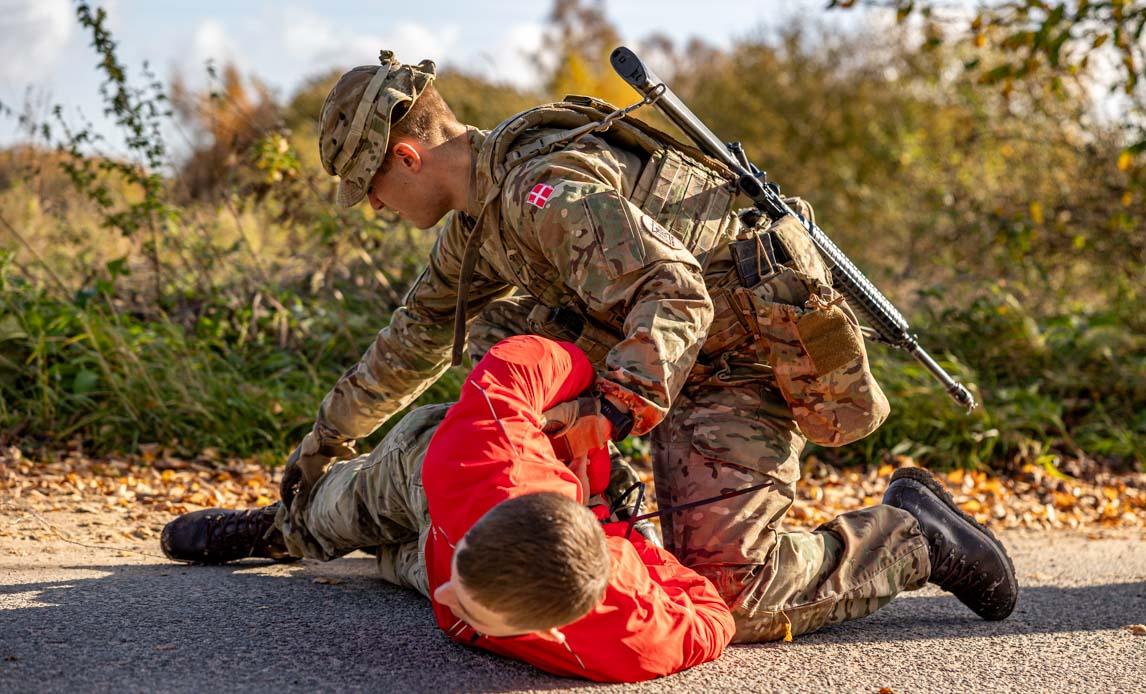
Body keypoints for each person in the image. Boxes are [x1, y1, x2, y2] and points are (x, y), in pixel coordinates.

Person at [279, 50, 1018, 641]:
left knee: (736, 596)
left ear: (406, 156)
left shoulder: (545, 187)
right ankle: (544, 514)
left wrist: (615, 406)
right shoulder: (476, 226)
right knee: (499, 345)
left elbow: (677, 292)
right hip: (661, 350)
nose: (373, 206)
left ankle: (916, 533)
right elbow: (409, 339)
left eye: (367, 187)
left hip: (735, 359)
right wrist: (323, 442)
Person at [164, 336, 735, 682]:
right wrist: (596, 407)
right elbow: (523, 360)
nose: (447, 596)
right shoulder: (486, 454)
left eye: (472, 607)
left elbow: (715, 619)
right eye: (463, 582)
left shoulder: (631, 637)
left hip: (451, 548)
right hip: (429, 479)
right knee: (338, 511)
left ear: (556, 631)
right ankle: (284, 529)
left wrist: (633, 548)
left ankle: (379, 552)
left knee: (394, 567)